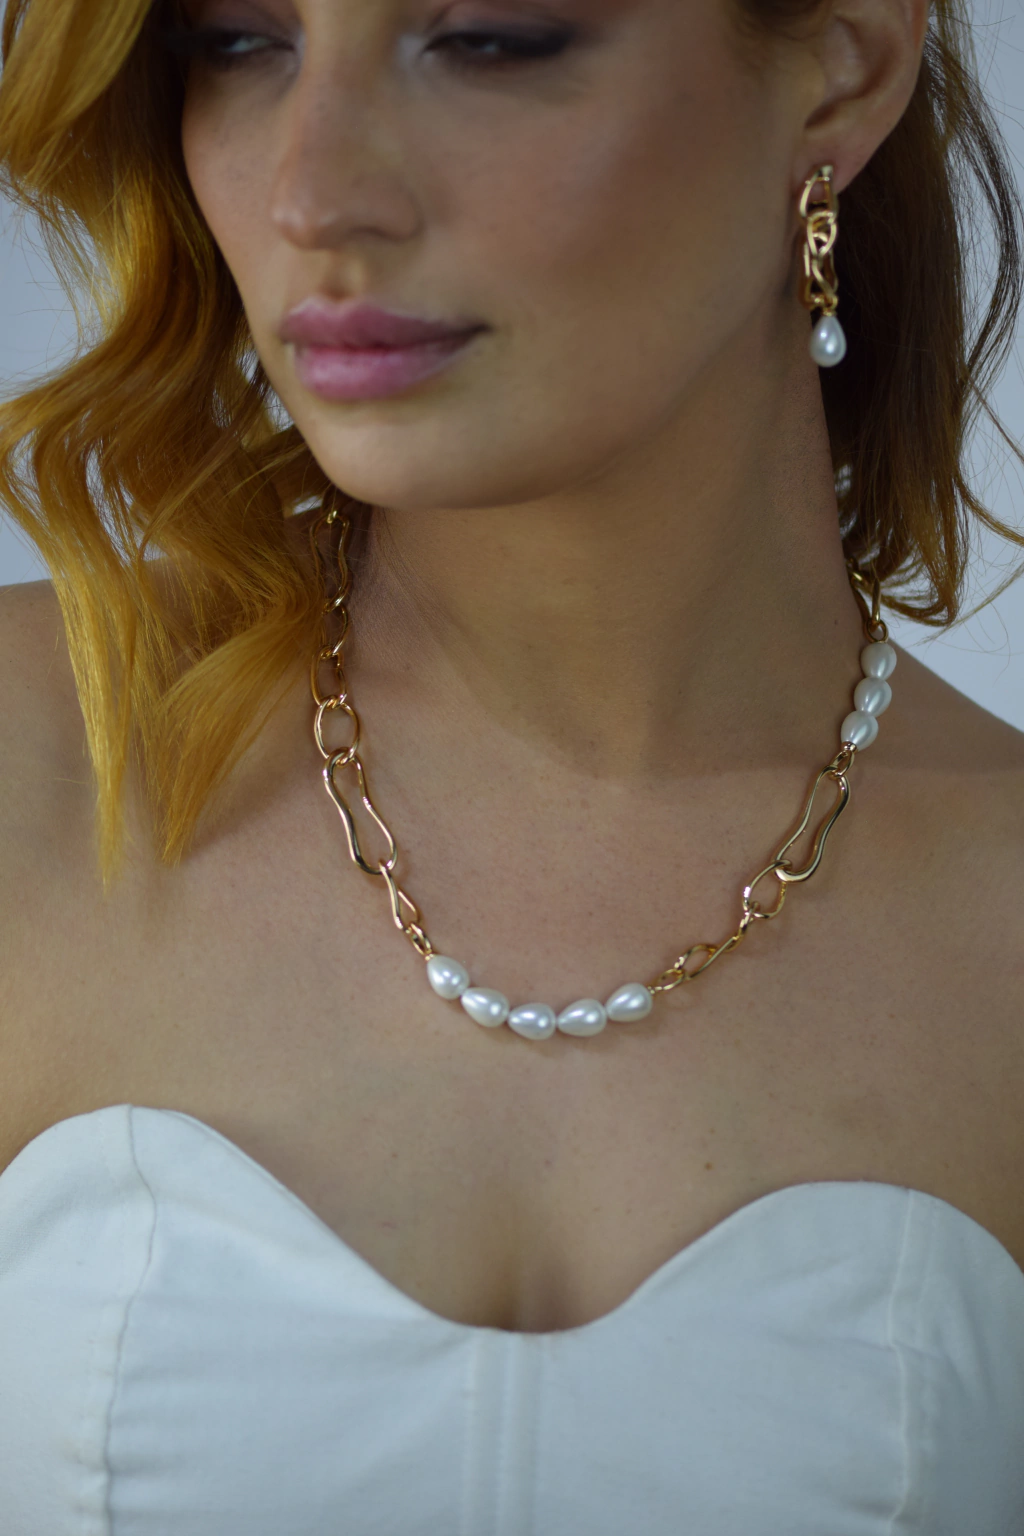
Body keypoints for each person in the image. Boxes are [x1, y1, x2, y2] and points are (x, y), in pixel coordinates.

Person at [0, 0, 1022, 1529]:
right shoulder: (35, 758)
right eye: (239, 40)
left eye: (488, 36)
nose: (312, 194)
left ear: (844, 67)